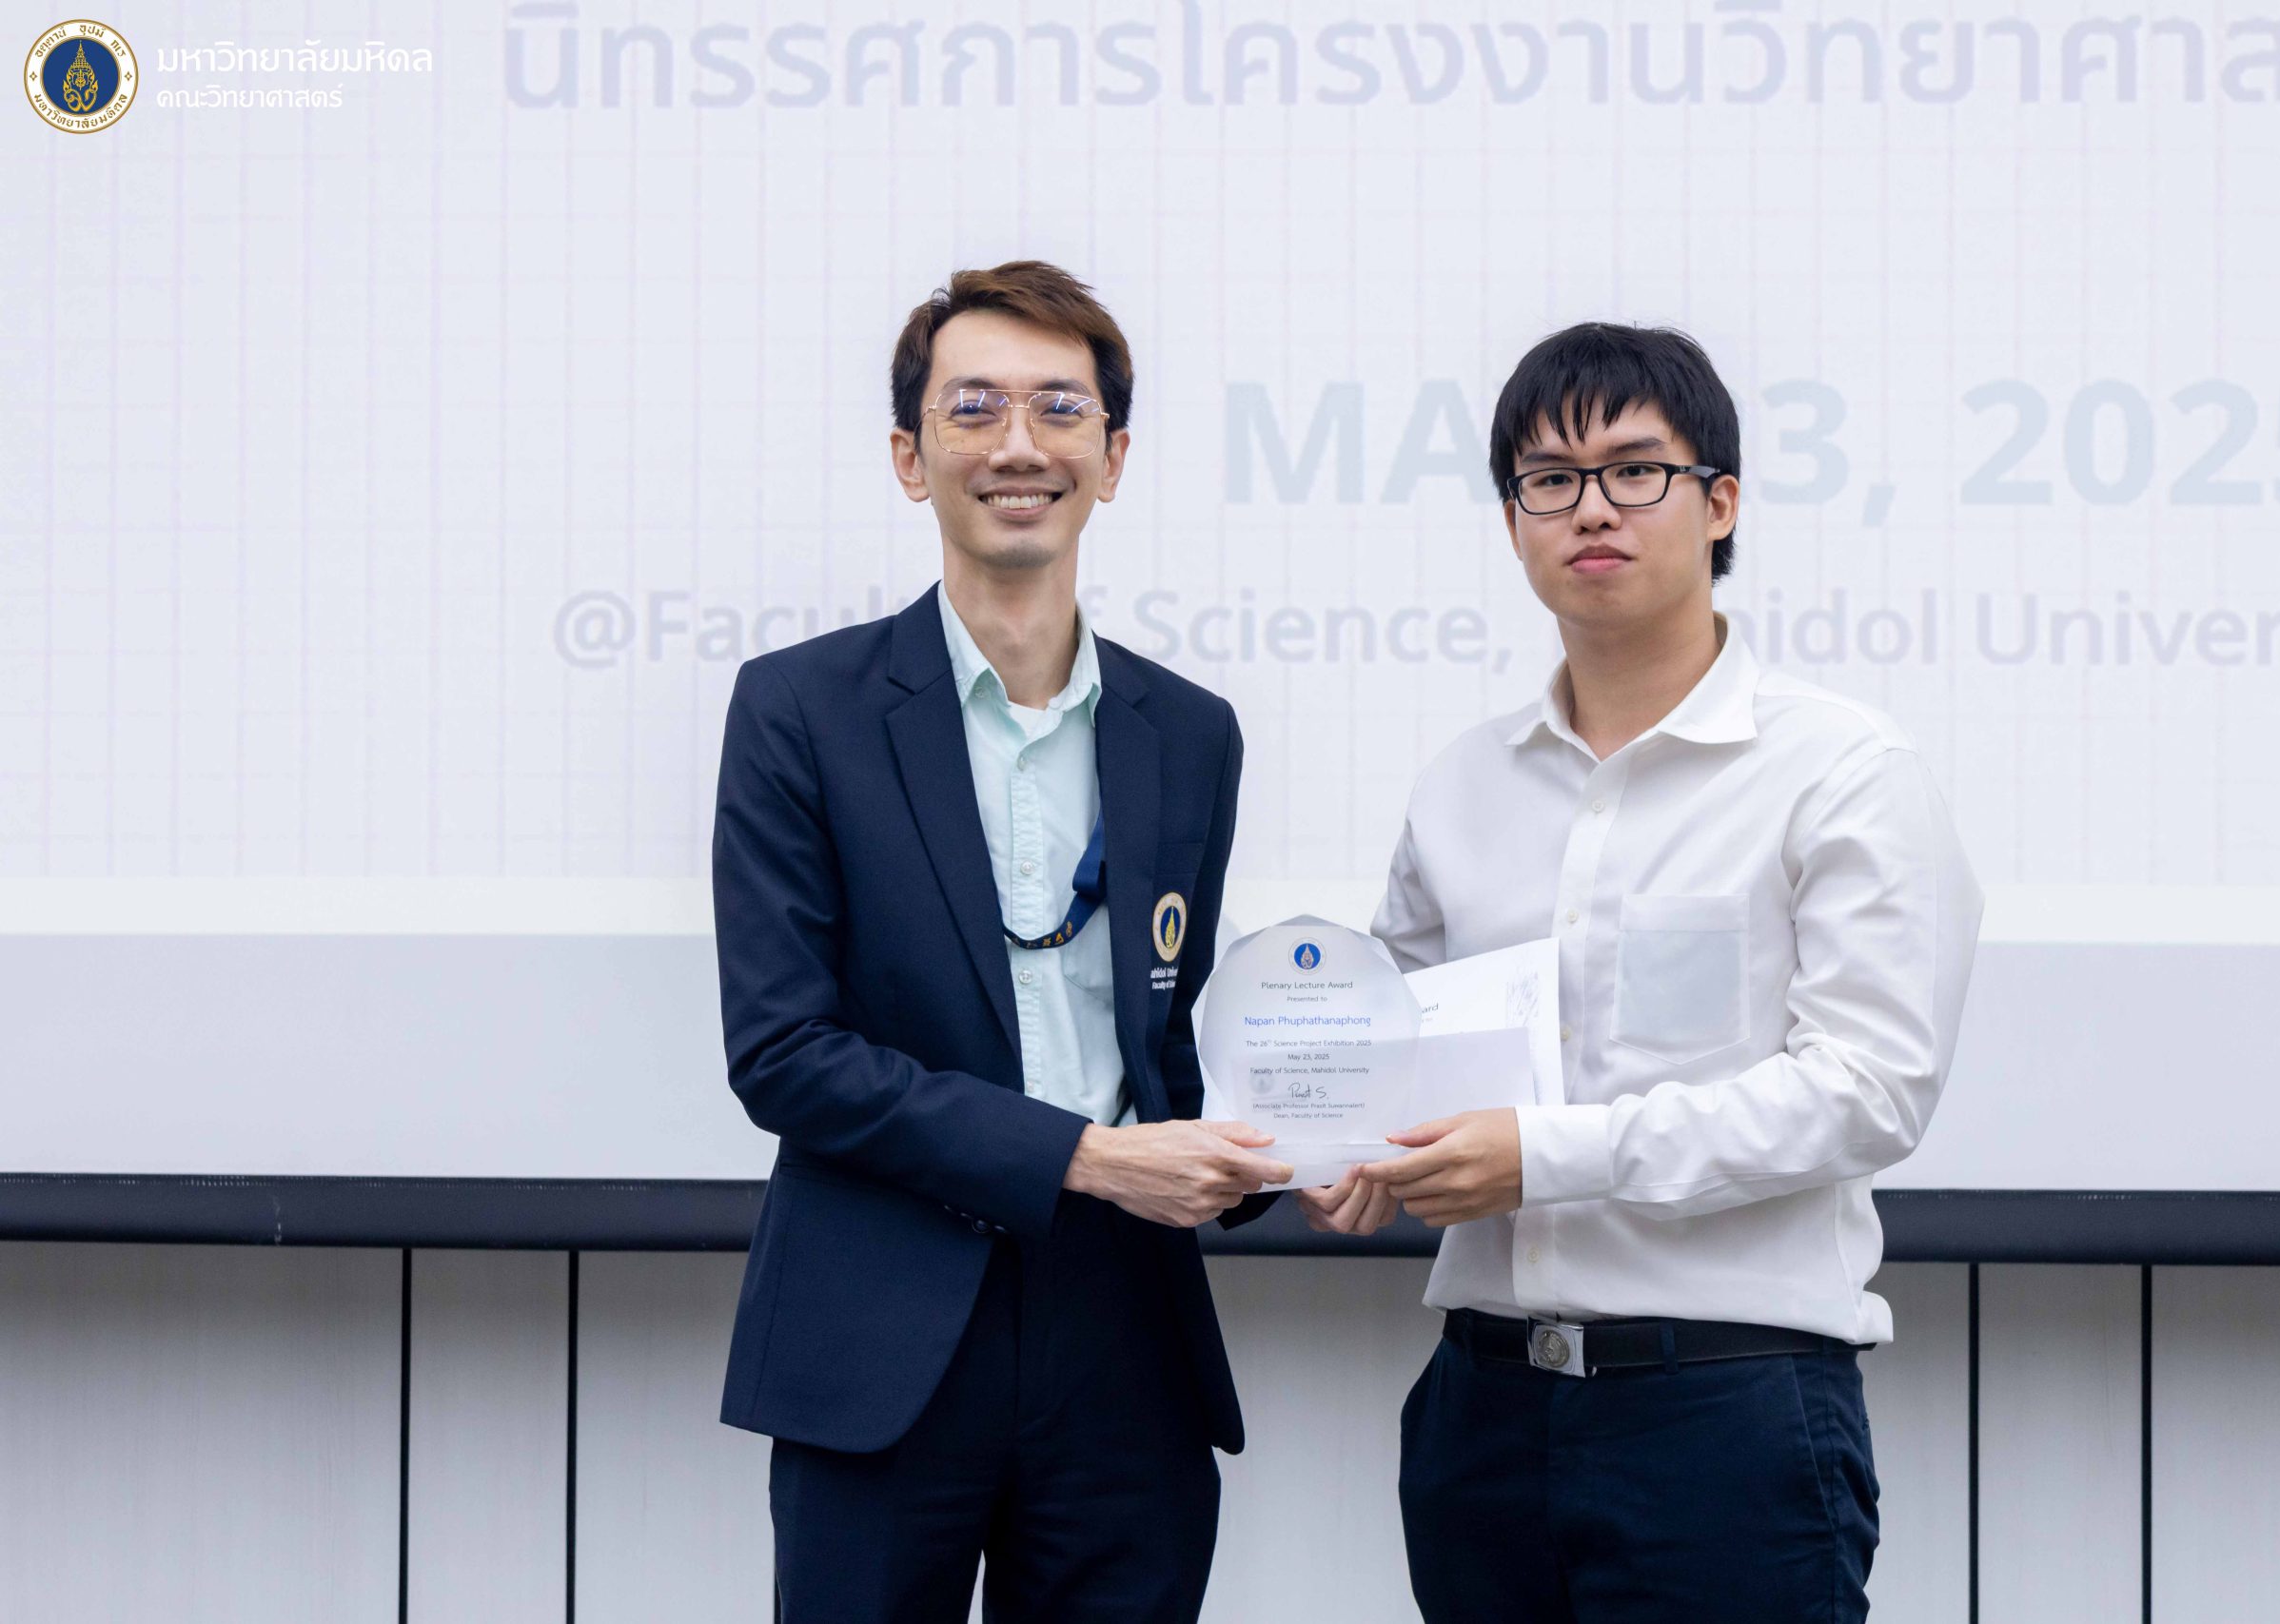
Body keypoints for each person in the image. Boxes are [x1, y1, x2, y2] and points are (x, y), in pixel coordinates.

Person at [1302, 323, 1982, 1618]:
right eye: (1549, 479)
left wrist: (1547, 1155)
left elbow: (1868, 1091)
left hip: (1727, 1411)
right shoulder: (1461, 785)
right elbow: (1396, 1048)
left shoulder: (1841, 771)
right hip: (1481, 1414)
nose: (1591, 508)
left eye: (1635, 470)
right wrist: (1346, 1153)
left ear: (1721, 503)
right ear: (1513, 522)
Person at [711, 260, 1289, 1623]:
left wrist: (1299, 1140)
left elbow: (1169, 1044)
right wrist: (1085, 1157)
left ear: (1114, 458)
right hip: (882, 1331)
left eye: (1060, 408)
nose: (1019, 443)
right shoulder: (801, 711)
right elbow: (784, 1054)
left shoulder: (1188, 732)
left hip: (1127, 1342)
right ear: (911, 459)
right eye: (974, 407)